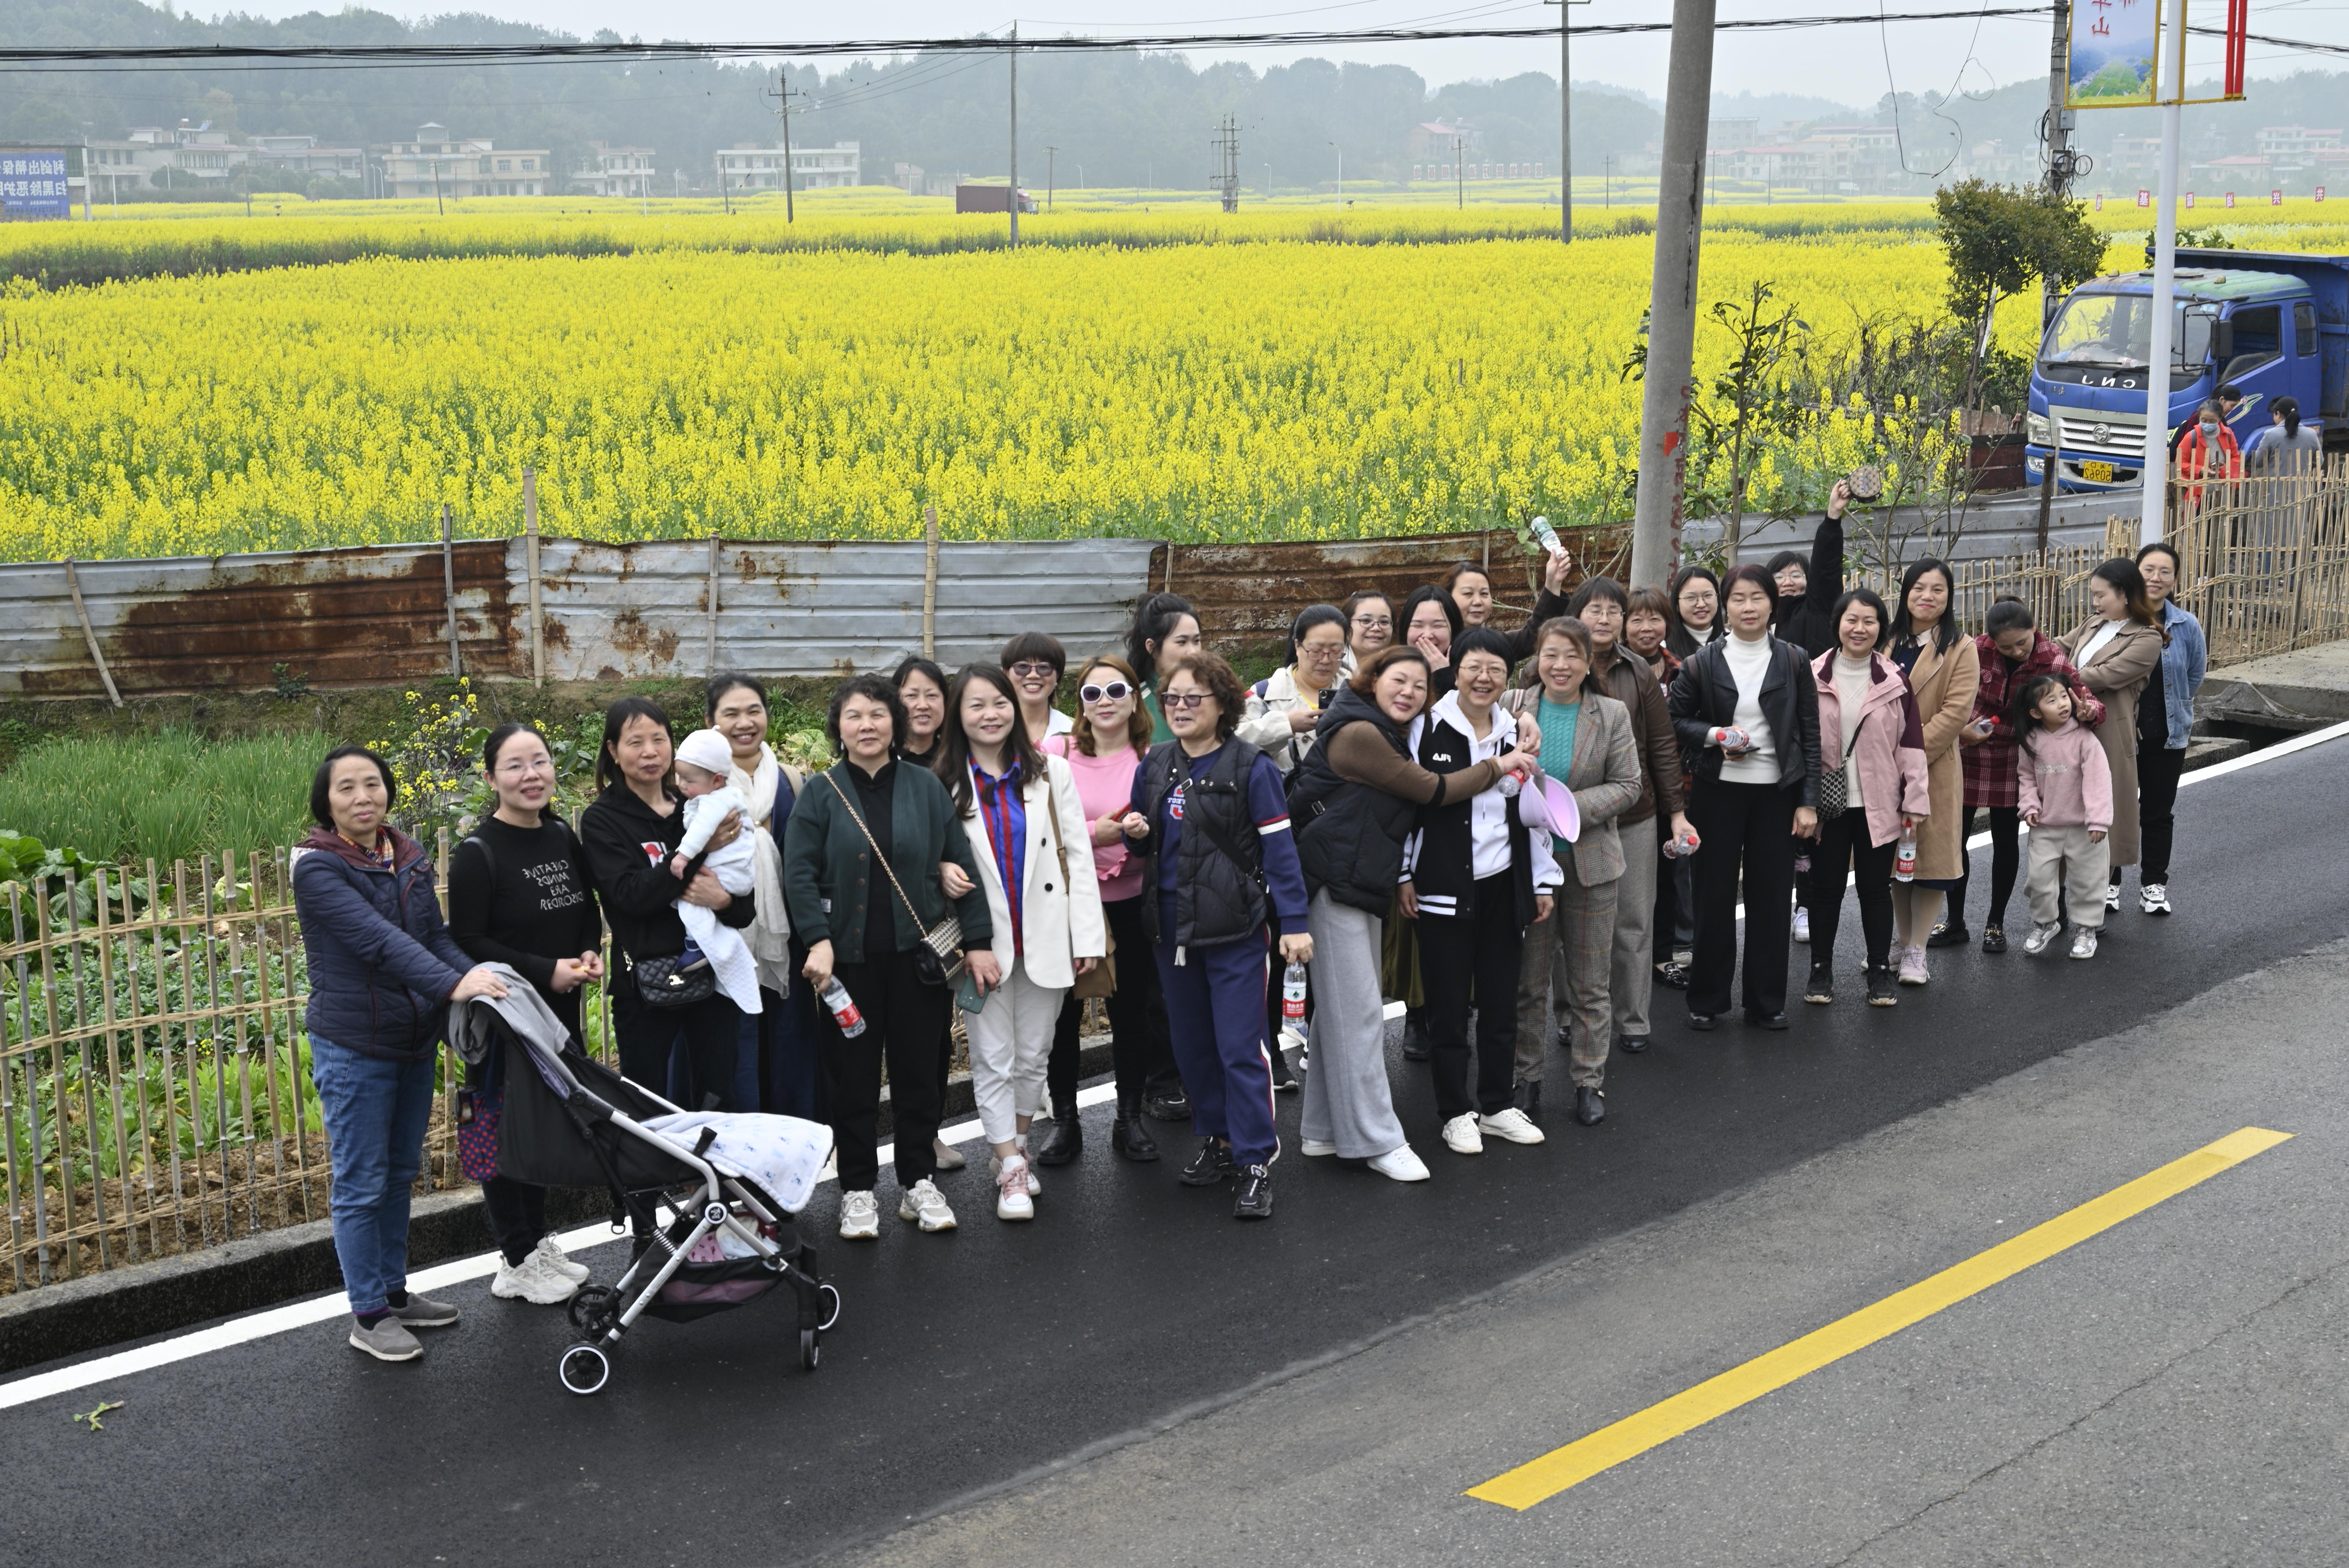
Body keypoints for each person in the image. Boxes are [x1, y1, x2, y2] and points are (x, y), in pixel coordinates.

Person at [293, 744, 506, 1362]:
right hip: (354, 1046)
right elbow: (378, 941)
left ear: (388, 790)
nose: (363, 797)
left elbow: (434, 937)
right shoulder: (318, 869)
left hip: (412, 1041)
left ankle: (393, 1293)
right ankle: (368, 1315)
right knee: (361, 1183)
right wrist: (452, 984)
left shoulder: (403, 854)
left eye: (373, 784)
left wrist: (485, 979)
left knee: (397, 1174)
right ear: (327, 802)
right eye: (347, 788)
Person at [1290, 645, 1528, 1181]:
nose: (1409, 693)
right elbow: (1433, 789)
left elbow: (1486, 701)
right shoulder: (1360, 733)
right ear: (1372, 680)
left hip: (1355, 877)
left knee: (1340, 1012)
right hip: (1332, 879)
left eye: (1420, 687)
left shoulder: (1381, 726)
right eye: (1399, 681)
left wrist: (1521, 716)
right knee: (1360, 1013)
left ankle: (1323, 1130)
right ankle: (1377, 1139)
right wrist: (1499, 764)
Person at [784, 675, 992, 1242]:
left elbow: (960, 863)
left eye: (878, 714)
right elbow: (798, 873)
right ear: (839, 726)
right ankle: (856, 1188)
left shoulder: (925, 787)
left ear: (895, 724)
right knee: (851, 1078)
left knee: (919, 1073)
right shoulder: (821, 792)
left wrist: (978, 942)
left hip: (915, 960)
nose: (867, 725)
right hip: (847, 966)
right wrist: (817, 938)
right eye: (855, 715)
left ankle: (918, 1180)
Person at [1119, 652, 1311, 1220]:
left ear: (1223, 704)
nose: (1178, 708)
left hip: (1236, 929)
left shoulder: (1252, 767)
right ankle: (1219, 1140)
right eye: (1171, 698)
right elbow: (1147, 840)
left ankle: (1254, 1159)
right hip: (1170, 928)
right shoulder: (1154, 763)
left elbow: (1280, 851)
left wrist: (1294, 923)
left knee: (1240, 1048)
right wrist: (1134, 835)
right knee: (1192, 1048)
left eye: (1192, 698)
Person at [938, 663, 1106, 1222]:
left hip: (1047, 937)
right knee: (993, 1058)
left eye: (1000, 703)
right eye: (977, 705)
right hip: (981, 945)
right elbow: (923, 855)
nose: (991, 714)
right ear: (958, 715)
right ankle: (1010, 1164)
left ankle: (1014, 1146)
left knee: (1035, 1055)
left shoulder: (1051, 772)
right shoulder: (942, 781)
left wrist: (1087, 935)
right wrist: (939, 872)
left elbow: (1078, 856)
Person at [448, 723, 602, 1308]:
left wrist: (587, 950)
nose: (531, 775)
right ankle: (515, 1259)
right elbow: (468, 940)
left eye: (539, 761)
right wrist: (545, 970)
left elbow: (585, 907)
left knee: (542, 1129)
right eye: (514, 766)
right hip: (506, 1021)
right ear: (491, 778)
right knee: (501, 1132)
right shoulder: (477, 853)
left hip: (557, 1016)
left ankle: (536, 1244)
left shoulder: (561, 834)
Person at [1403, 626, 1561, 1151]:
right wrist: (1404, 874)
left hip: (1502, 886)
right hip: (1442, 887)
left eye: (1495, 669)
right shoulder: (1426, 726)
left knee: (1500, 1003)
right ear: (1456, 670)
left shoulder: (1516, 730)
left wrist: (1540, 881)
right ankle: (1454, 1111)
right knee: (1448, 1010)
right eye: (1474, 667)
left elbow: (1532, 811)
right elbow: (1408, 808)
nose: (1484, 677)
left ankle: (1496, 1105)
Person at [1497, 617, 1641, 1125]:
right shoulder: (1511, 706)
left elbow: (1629, 785)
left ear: (1588, 661)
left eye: (1572, 656)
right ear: (1536, 658)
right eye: (1551, 655)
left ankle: (1588, 1081)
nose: (1560, 665)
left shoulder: (1612, 713)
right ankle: (1527, 1078)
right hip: (1525, 867)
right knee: (1528, 981)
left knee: (1589, 983)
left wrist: (1563, 806)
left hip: (1590, 863)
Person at [1667, 565, 1821, 1029]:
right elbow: (1674, 720)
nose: (1748, 607)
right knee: (1712, 899)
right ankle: (1707, 998)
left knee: (1771, 899)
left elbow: (1810, 733)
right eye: (1738, 598)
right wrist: (1715, 734)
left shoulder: (1794, 659)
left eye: (1757, 597)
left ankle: (1766, 1001)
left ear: (1773, 604)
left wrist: (1808, 800)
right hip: (1716, 793)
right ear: (1725, 606)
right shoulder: (1702, 662)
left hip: (1777, 794)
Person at [579, 698, 751, 1114]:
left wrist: (724, 900)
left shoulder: (698, 806)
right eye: (635, 742)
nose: (650, 752)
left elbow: (743, 904)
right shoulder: (603, 820)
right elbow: (631, 896)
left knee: (717, 1099)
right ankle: (653, 1164)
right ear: (613, 750)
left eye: (659, 739)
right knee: (647, 1104)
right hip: (644, 986)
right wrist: (698, 850)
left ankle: (713, 1160)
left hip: (712, 978)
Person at [1043, 654, 1180, 1161]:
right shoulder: (1055, 753)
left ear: (1135, 699)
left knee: (1133, 1014)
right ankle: (1066, 1122)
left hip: (1132, 901)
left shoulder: (1155, 757)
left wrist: (1143, 834)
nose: (1105, 702)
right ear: (1079, 704)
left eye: (1116, 691)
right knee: (1062, 1016)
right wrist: (1093, 833)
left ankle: (1129, 1119)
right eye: (1092, 693)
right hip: (1068, 905)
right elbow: (1035, 827)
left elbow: (1176, 827)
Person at [1561, 576, 1692, 1060]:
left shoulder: (1638, 670)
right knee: (1565, 923)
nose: (1604, 619)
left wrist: (1676, 813)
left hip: (1634, 814)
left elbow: (1662, 746)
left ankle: (1633, 1019)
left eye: (1613, 611)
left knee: (1634, 921)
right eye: (1594, 609)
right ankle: (1567, 1015)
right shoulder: (1551, 664)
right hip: (1566, 816)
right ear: (1577, 614)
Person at [1948, 600, 2105, 953]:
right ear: (1991, 640)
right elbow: (1948, 696)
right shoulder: (1972, 651)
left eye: (2022, 642)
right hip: (1969, 749)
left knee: (2005, 840)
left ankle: (1996, 924)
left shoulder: (2052, 659)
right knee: (1954, 841)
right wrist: (1959, 731)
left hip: (2017, 754)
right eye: (2007, 647)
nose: (2018, 652)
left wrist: (2088, 712)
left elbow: (2089, 703)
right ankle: (1955, 921)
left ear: (2034, 629)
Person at [1800, 590, 1930, 1007]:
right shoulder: (1811, 675)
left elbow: (1911, 746)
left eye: (1869, 621)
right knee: (1825, 890)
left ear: (1882, 628)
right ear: (1837, 624)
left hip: (1880, 803)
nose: (1859, 628)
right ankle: (1820, 970)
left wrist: (1915, 800)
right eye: (1851, 620)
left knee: (1875, 890)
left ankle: (1879, 972)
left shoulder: (1895, 680)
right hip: (1827, 805)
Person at [707, 673, 820, 1123]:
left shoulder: (791, 781)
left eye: (754, 710)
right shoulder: (700, 784)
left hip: (787, 939)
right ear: (711, 722)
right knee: (734, 1049)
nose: (745, 722)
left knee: (789, 1043)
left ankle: (795, 1139)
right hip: (726, 941)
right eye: (731, 713)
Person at [1884, 558, 1980, 984]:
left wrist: (1907, 754)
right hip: (1884, 771)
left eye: (1938, 589)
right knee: (1896, 861)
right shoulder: (1887, 641)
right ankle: (1902, 940)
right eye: (1919, 588)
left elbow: (1955, 713)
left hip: (1933, 768)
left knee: (1931, 864)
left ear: (1949, 597)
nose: (1927, 596)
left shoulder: (1962, 647)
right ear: (1905, 593)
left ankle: (1918, 950)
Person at [2060, 558, 2168, 913]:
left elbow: (2103, 676)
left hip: (2109, 736)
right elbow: (2056, 648)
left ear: (2124, 594)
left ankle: (2091, 911)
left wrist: (2057, 677)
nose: (2095, 602)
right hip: (2069, 730)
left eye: (2100, 595)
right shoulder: (2094, 623)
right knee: (2064, 814)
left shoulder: (2147, 637)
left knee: (2101, 818)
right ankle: (2059, 904)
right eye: (2093, 595)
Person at [891, 655, 964, 1172]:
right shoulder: (878, 759)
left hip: (940, 922)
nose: (921, 704)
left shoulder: (959, 760)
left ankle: (928, 1133)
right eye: (910, 694)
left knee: (933, 1035)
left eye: (932, 694)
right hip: (882, 918)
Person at [2124, 542, 2208, 916]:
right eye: (2148, 570)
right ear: (2135, 573)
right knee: (2114, 811)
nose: (2156, 578)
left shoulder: (2186, 625)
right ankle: (2109, 884)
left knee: (2158, 813)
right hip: (2120, 735)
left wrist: (2176, 706)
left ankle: (2153, 886)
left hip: (2168, 735)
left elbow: (2195, 675)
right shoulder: (2118, 620)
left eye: (2165, 572)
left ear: (2175, 579)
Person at [2014, 674, 2114, 960]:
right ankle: (2046, 923)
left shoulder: (2084, 738)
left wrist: (2099, 820)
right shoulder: (2031, 741)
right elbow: (2026, 777)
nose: (2062, 704)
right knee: (2039, 880)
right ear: (2035, 713)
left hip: (2084, 827)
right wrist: (2029, 807)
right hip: (2045, 826)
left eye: (2063, 697)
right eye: (2052, 700)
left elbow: (2098, 779)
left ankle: (2087, 930)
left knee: (2089, 880)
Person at [667, 728, 764, 1017]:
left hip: (728, 873)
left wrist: (683, 856)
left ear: (717, 780)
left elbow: (702, 830)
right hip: (732, 872)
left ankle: (699, 947)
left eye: (689, 780)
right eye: (679, 777)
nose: (681, 785)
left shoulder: (715, 801)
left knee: (690, 899)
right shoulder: (713, 795)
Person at [1624, 583, 1693, 990]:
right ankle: (1620, 960)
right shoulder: (1608, 670)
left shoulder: (1682, 671)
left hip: (1672, 790)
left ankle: (1663, 956)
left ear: (1668, 623)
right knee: (1624, 881)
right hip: (1625, 792)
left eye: (1655, 618)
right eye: (1636, 619)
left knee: (1667, 877)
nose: (1646, 627)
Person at [1239, 604, 1348, 775]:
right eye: (1316, 651)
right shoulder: (1263, 694)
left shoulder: (1359, 693)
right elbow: (1231, 744)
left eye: (1336, 652)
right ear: (1298, 646)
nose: (1326, 660)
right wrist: (1286, 725)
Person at [1768, 479, 1853, 659]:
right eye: (1779, 577)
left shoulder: (1816, 610)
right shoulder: (1760, 622)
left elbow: (1826, 569)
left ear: (1809, 580)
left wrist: (1833, 515)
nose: (1788, 582)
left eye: (1796, 575)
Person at [1128, 592, 1205, 743]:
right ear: (1152, 648)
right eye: (1182, 642)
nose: (1193, 652)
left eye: (1197, 641)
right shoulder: (1133, 704)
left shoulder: (1213, 696)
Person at [1003, 631, 1076, 742]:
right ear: (1006, 674)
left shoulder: (1078, 731)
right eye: (1022, 667)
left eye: (1044, 668)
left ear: (1057, 676)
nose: (1033, 675)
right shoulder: (991, 729)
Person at [1399, 584, 1462, 697]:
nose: (1427, 635)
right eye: (1418, 626)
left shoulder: (1469, 671)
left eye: (1438, 626)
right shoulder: (1387, 670)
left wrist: (1444, 675)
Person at [893, 656, 951, 769]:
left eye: (932, 695)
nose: (923, 706)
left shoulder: (958, 763)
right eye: (912, 696)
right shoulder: (881, 761)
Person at [2244, 394, 2323, 474]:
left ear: (2278, 414)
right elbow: (2320, 461)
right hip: (2302, 482)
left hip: (2276, 482)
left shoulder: (2270, 434)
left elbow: (2258, 462)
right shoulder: (2311, 434)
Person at [1665, 565, 1723, 661]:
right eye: (1691, 598)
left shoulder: (1732, 641)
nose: (1701, 604)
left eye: (1708, 595)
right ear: (1677, 604)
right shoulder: (1664, 647)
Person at [1344, 590, 1396, 668]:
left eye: (1384, 622)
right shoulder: (1332, 667)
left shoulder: (1396, 666)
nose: (1376, 628)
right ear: (1346, 625)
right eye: (1366, 621)